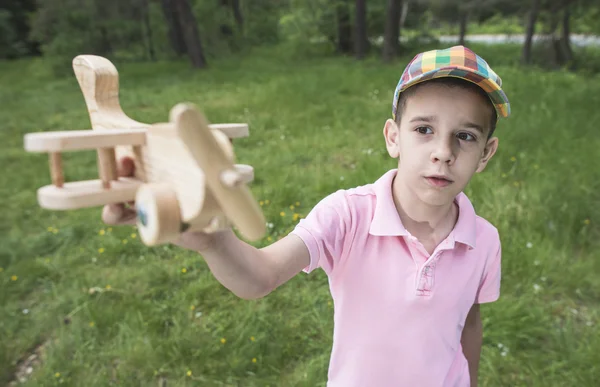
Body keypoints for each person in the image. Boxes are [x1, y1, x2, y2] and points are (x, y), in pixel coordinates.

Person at [103, 45, 511, 387]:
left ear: (485, 154)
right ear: (393, 137)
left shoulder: (484, 239)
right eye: (424, 129)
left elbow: (469, 321)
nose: (444, 151)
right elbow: (260, 276)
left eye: (465, 136)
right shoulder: (348, 215)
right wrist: (211, 239)